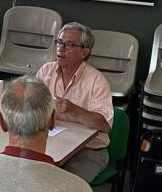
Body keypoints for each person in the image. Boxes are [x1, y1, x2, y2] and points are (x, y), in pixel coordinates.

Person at [36, 22, 114, 182]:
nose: (61, 48)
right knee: (29, 174)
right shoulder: (46, 71)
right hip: (51, 142)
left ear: (84, 52)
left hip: (88, 150)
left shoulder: (96, 81)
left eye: (69, 44)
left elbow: (105, 125)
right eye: (59, 42)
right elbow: (31, 105)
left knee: (66, 185)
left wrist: (75, 111)